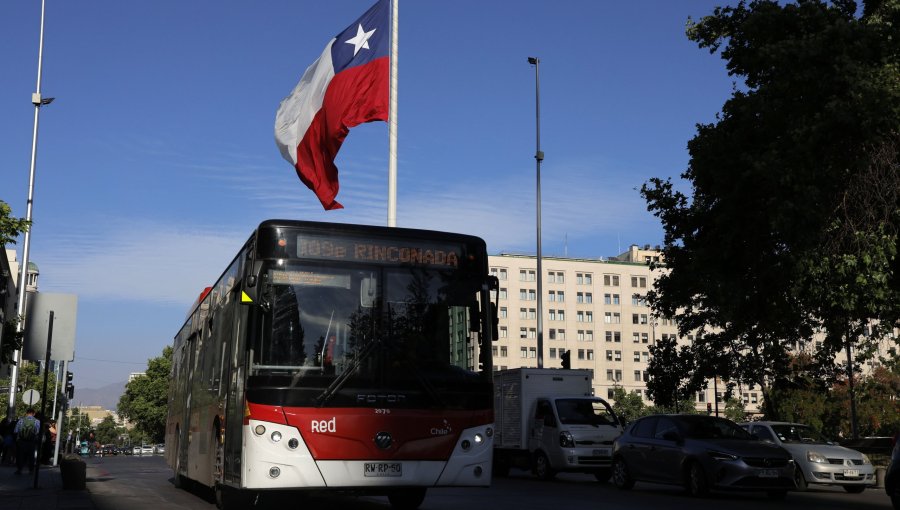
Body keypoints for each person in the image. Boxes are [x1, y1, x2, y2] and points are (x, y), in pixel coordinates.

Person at [14, 408, 40, 474]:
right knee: (31, 456)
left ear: (26, 413)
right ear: (34, 414)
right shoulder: (37, 421)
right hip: (31, 441)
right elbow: (38, 431)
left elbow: (16, 431)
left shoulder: (21, 420)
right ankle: (31, 470)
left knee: (20, 455)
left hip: (21, 441)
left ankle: (19, 469)